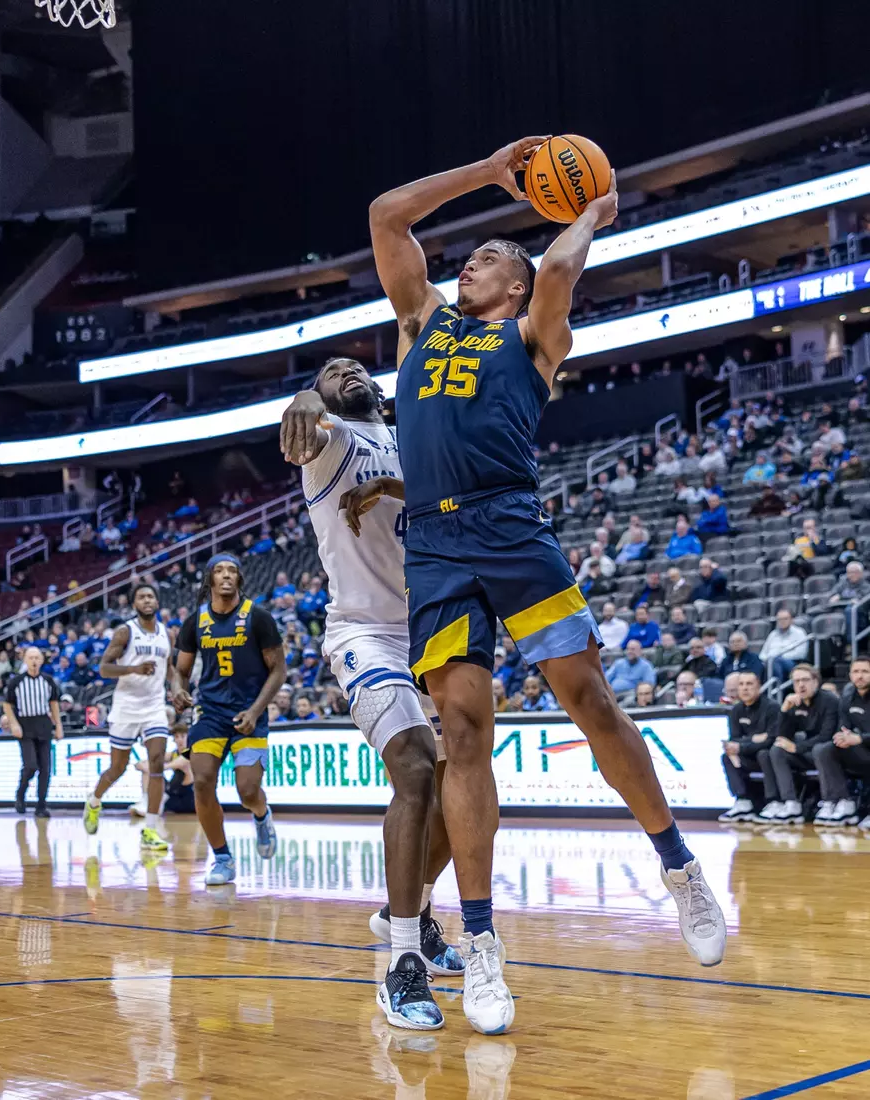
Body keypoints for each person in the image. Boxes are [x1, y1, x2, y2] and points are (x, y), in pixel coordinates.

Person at [369, 135, 725, 1031]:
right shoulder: (418, 322)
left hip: (511, 527)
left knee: (589, 700)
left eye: (489, 255)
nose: (469, 260)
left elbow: (561, 265)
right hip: (437, 546)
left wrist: (589, 206)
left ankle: (677, 864)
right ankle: (483, 949)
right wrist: (489, 175)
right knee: (460, 733)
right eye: (471, 253)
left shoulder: (533, 336)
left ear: (516, 284)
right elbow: (387, 214)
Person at [281, 357, 463, 1031]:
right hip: (364, 635)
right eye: (330, 371)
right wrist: (302, 396)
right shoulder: (327, 440)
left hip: (431, 628)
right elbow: (302, 428)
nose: (344, 369)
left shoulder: (411, 435)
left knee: (458, 790)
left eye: (354, 364)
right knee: (415, 771)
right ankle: (403, 961)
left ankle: (400, 907)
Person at [171, 555, 285, 885]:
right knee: (203, 780)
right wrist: (178, 690)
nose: (226, 576)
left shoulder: (258, 618)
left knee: (247, 792)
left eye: (232, 571)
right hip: (210, 712)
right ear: (209, 580)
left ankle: (262, 815)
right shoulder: (195, 622)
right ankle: (222, 858)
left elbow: (279, 670)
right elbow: (179, 672)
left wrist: (255, 711)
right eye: (219, 571)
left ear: (239, 579)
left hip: (250, 711)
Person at [82, 584, 173, 852]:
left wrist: (178, 689)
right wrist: (133, 668)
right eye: (141, 597)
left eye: (151, 596)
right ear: (134, 604)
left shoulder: (166, 634)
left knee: (156, 763)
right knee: (117, 768)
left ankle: (151, 830)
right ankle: (94, 800)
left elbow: (171, 670)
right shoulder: (126, 631)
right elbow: (104, 668)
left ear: (157, 601)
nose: (147, 600)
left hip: (155, 706)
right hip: (126, 706)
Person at [755, 664, 838, 824]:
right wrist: (785, 710)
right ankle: (790, 802)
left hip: (829, 753)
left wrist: (796, 747)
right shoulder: (795, 702)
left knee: (821, 749)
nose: (801, 685)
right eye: (796, 681)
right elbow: (781, 737)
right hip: (807, 753)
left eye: (805, 680)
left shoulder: (830, 701)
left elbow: (826, 736)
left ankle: (831, 801)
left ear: (816, 681)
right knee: (776, 750)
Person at [3, 647, 63, 817]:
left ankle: (41, 806)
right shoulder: (17, 682)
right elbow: (7, 705)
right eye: (31, 657)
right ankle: (20, 794)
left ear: (42, 660)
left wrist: (58, 726)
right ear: (25, 660)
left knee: (45, 768)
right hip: (25, 726)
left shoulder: (48, 681)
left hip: (43, 724)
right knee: (30, 766)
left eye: (37, 657)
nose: (34, 661)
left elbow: (54, 704)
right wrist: (14, 724)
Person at [812, 657, 870, 827]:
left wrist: (859, 738)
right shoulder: (848, 695)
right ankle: (842, 802)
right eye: (856, 672)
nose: (860, 676)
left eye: (865, 671)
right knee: (824, 749)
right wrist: (841, 737)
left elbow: (857, 737)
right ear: (850, 674)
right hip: (861, 752)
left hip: (864, 744)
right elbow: (843, 726)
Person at [717, 672, 779, 822]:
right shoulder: (736, 710)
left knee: (764, 753)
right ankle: (743, 800)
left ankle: (774, 801)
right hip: (748, 757)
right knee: (727, 756)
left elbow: (771, 739)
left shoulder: (772, 707)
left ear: (758, 687)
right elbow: (735, 740)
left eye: (749, 684)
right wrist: (754, 739)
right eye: (741, 684)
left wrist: (743, 745)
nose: (745, 688)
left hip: (769, 757)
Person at [758, 608, 809, 683]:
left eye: (785, 619)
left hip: (791, 663)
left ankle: (776, 689)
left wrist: (779, 656)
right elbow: (762, 654)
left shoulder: (799, 633)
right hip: (770, 661)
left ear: (791, 620)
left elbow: (801, 654)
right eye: (779, 619)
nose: (782, 621)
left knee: (776, 661)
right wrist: (768, 658)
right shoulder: (773, 634)